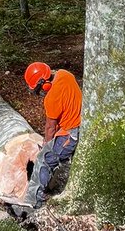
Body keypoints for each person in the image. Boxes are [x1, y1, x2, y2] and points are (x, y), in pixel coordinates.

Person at [20, 61, 81, 211]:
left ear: (44, 83)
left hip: (71, 133)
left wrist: (45, 145)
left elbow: (50, 127)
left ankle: (33, 202)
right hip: (80, 123)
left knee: (43, 160)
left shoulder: (52, 98)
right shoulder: (65, 74)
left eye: (40, 89)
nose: (41, 92)